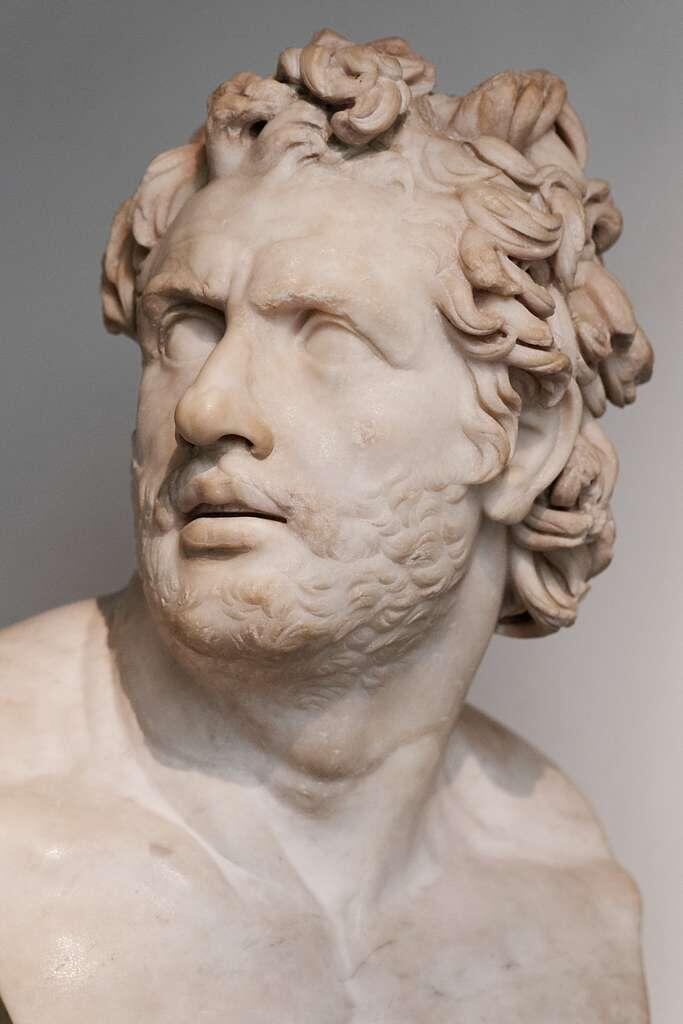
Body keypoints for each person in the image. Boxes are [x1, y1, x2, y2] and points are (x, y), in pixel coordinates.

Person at [0, 29, 652, 1023]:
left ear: (522, 436)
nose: (207, 407)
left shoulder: (565, 882)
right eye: (187, 328)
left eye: (326, 335)